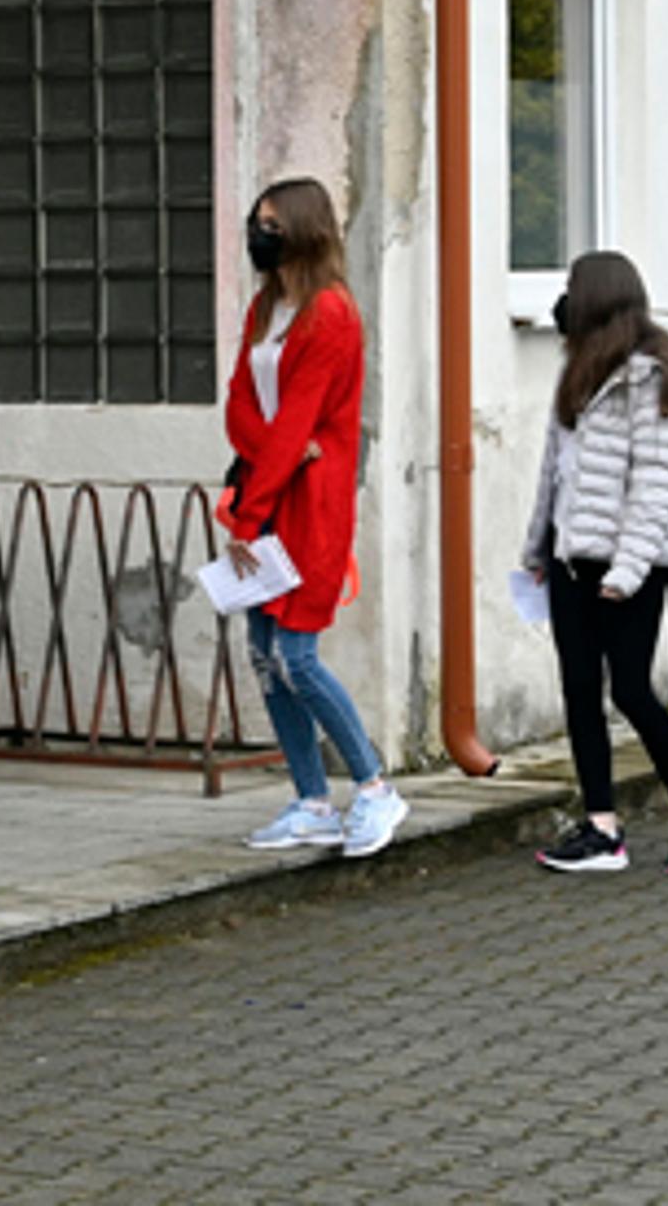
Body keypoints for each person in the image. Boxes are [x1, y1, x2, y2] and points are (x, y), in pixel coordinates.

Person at [225, 179, 408, 859]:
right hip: (265, 488)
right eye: (257, 221)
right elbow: (240, 403)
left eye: (272, 224)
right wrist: (271, 458)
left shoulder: (330, 313)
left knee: (296, 656)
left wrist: (251, 512)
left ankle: (374, 787)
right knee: (264, 656)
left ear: (305, 230)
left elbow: (301, 415)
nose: (260, 234)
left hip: (308, 504)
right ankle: (311, 802)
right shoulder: (265, 307)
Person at [523, 251, 668, 876]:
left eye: (571, 290)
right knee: (580, 691)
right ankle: (602, 827)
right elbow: (554, 473)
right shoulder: (578, 371)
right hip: (572, 560)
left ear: (597, 300)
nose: (562, 302)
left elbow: (656, 487)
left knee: (631, 691)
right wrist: (537, 550)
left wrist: (627, 572)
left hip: (630, 566)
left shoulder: (652, 377)